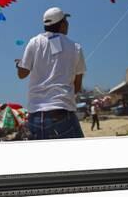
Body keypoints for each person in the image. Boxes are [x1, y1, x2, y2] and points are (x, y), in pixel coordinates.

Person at [15, 7, 86, 140]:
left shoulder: (34, 42)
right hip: (62, 115)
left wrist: (19, 64)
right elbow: (77, 87)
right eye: (66, 21)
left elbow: (22, 74)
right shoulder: (76, 47)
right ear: (63, 24)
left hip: (35, 118)